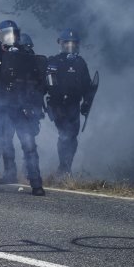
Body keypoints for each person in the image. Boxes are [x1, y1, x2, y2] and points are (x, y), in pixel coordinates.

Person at [0, 20, 47, 196]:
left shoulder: (26, 54)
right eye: (5, 34)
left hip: (20, 106)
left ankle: (36, 184)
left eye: (13, 34)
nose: (10, 38)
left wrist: (33, 106)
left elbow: (38, 81)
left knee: (29, 144)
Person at [45, 28, 93, 175]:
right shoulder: (53, 61)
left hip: (74, 105)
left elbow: (87, 86)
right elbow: (47, 84)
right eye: (67, 43)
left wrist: (86, 102)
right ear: (61, 44)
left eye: (73, 44)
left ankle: (67, 167)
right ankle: (63, 167)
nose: (70, 46)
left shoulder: (80, 63)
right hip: (58, 105)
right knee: (64, 135)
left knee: (72, 136)